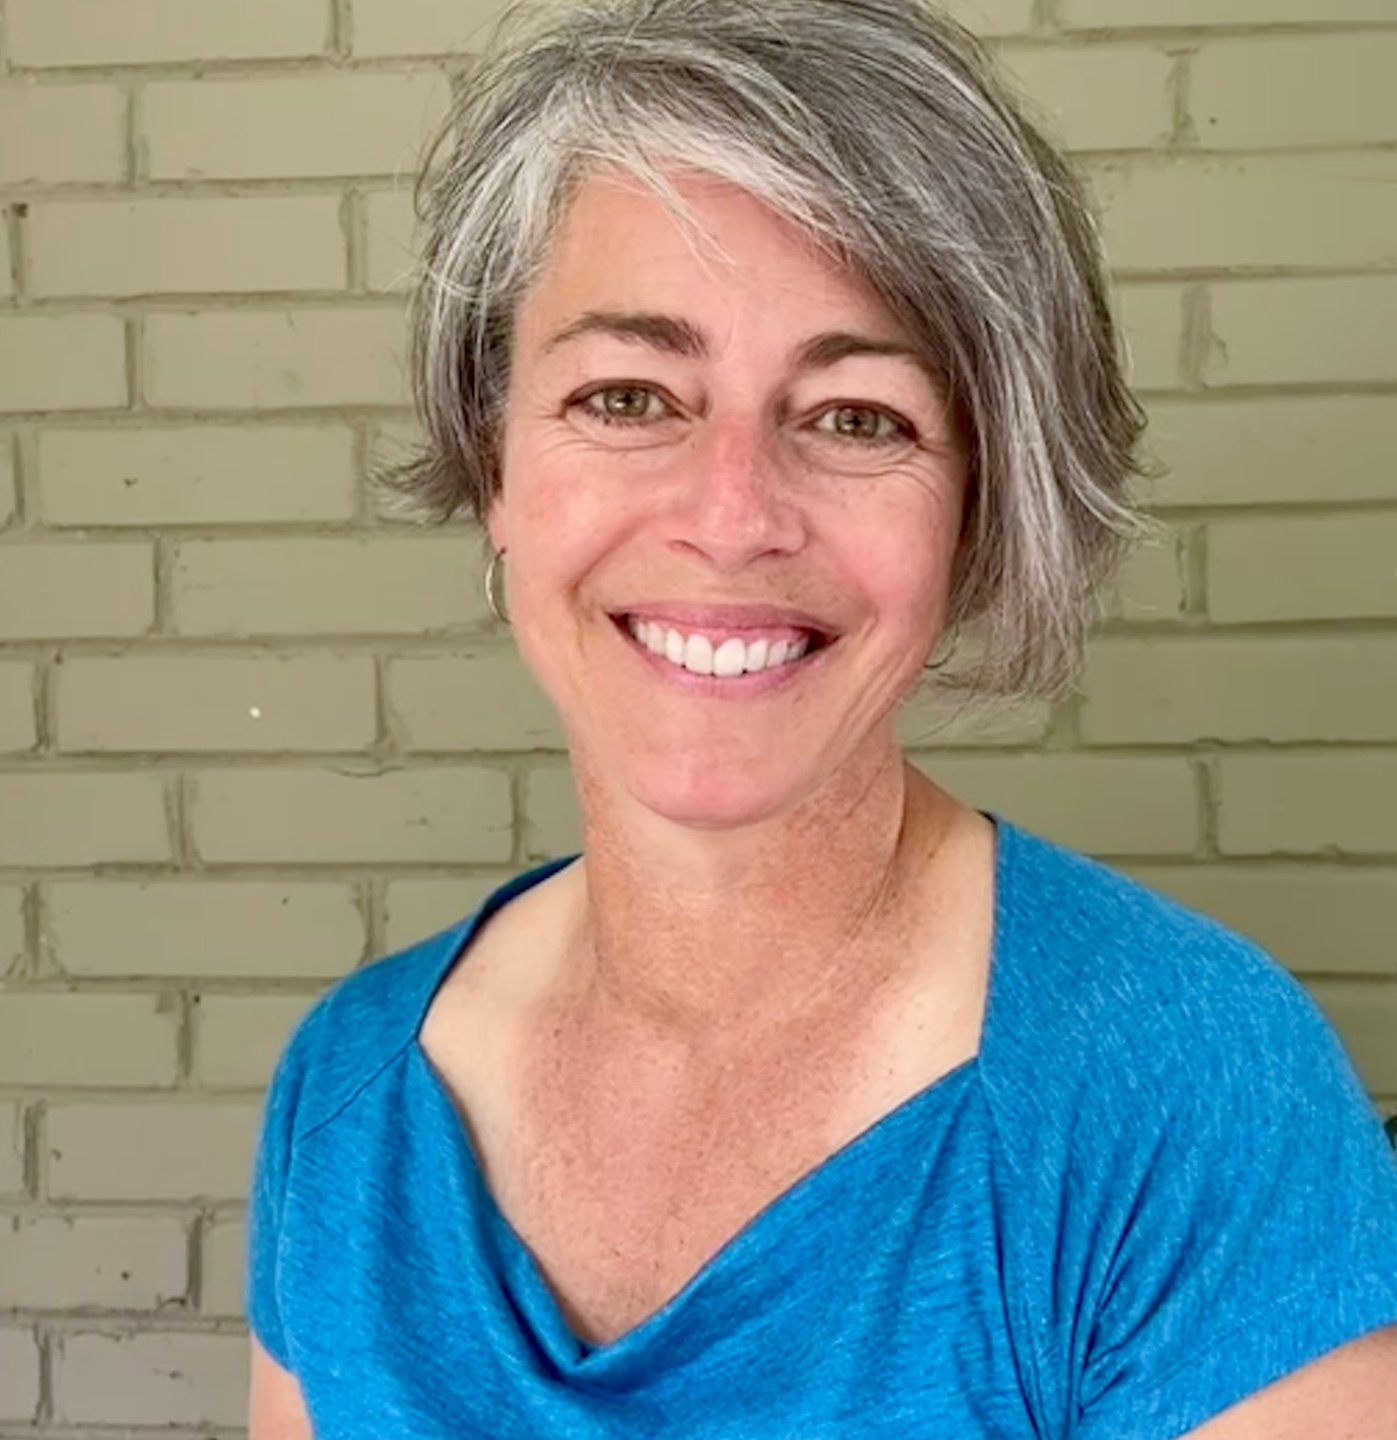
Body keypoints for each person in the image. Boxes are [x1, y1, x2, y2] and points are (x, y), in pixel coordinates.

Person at [246, 1, 1397, 1435]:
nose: (730, 516)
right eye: (625, 394)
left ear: (977, 509)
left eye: (857, 417)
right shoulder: (346, 1096)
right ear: (494, 461)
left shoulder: (1186, 1090)